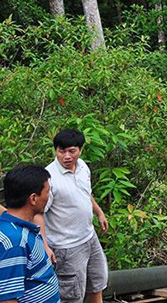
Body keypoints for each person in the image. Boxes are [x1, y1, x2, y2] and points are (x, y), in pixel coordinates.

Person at [43, 130, 108, 303]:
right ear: (56, 150)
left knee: (97, 282)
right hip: (66, 246)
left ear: (80, 150)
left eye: (71, 151)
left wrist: (99, 212)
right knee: (71, 296)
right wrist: (45, 246)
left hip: (88, 236)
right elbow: (38, 214)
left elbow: (86, 193)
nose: (66, 156)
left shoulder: (83, 167)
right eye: (61, 151)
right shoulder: (48, 179)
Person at [0, 164, 60, 303]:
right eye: (47, 192)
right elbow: (7, 299)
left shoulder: (21, 228)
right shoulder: (15, 242)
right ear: (33, 198)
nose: (48, 196)